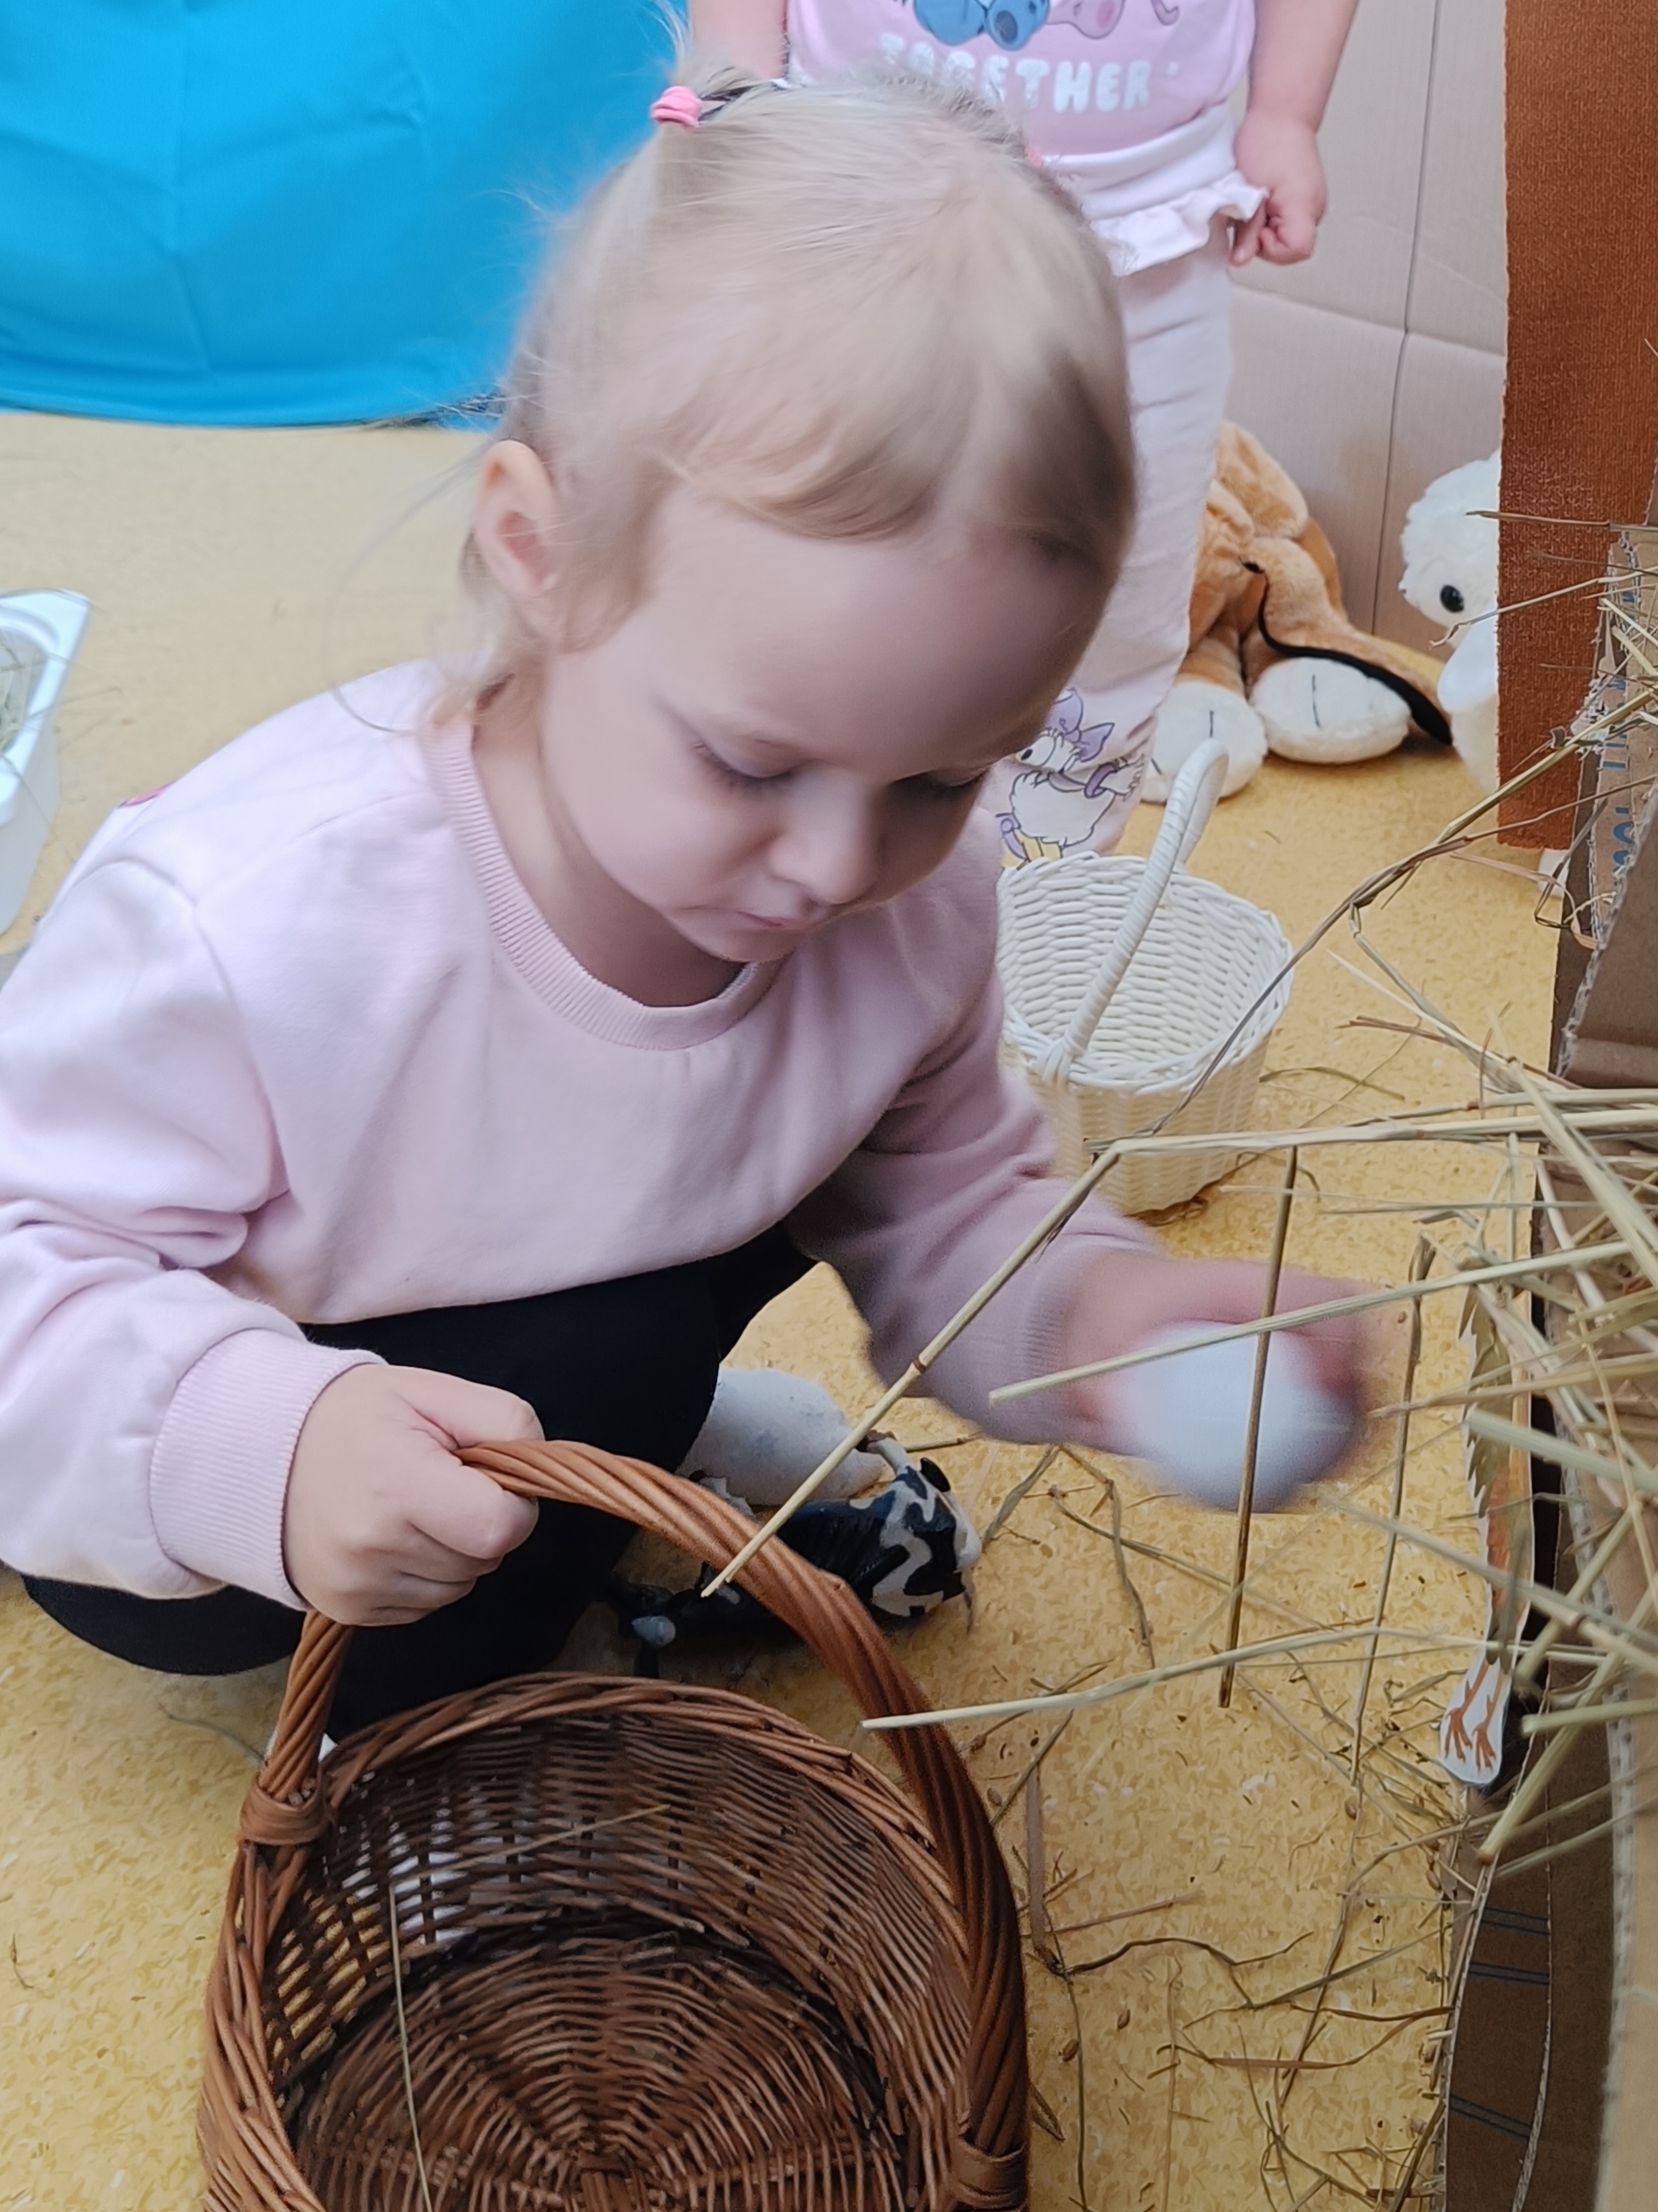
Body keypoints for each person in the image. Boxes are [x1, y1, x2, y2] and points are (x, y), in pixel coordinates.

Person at [0, 70, 1362, 1739]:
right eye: (748, 762)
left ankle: (633, 1448)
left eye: (943, 776)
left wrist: (1108, 1326)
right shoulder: (255, 922)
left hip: (578, 1312)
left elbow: (945, 1209)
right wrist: (259, 1446)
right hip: (205, 1463)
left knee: (645, 1327)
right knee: (592, 1366)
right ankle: (427, 1729)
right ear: (541, 555)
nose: (834, 868)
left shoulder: (906, 904)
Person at [694, 0, 1360, 856]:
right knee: (820, 543)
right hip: (853, 185)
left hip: (1150, 225)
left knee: (1125, 593)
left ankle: (1040, 878)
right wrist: (739, 80)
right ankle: (795, 845)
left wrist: (1285, 111)